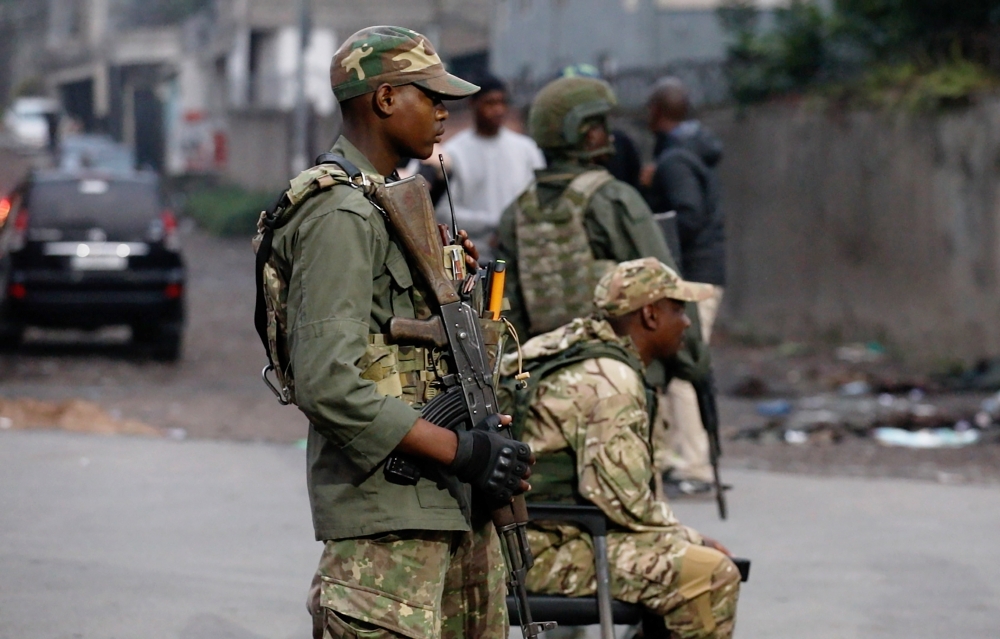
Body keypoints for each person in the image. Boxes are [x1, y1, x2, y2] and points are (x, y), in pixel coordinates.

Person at [263, 26, 532, 639]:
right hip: (387, 529)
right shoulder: (338, 213)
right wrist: (461, 451)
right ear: (384, 99)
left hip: (450, 508)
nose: (444, 112)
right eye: (430, 96)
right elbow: (328, 383)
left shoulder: (388, 204)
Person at [500, 257, 740, 639]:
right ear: (649, 315)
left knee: (692, 562)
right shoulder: (611, 381)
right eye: (678, 309)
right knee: (710, 575)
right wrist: (693, 540)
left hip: (521, 538)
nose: (687, 322)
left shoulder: (573, 345)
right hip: (541, 551)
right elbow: (624, 502)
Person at [495, 76, 712, 494]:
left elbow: (507, 311)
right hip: (622, 383)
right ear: (579, 132)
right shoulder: (614, 200)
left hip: (548, 391)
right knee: (634, 504)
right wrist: (694, 362)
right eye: (597, 124)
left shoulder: (517, 212)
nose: (606, 133)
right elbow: (664, 289)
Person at [644, 77, 727, 494]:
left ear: (656, 112)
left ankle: (693, 467)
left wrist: (660, 246)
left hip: (692, 274)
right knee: (685, 368)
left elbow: (687, 215)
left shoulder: (676, 161)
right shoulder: (688, 152)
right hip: (702, 272)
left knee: (685, 369)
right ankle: (688, 461)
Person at [435, 74, 544, 264]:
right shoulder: (454, 153)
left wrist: (512, 227)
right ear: (473, 104)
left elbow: (539, 198)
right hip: (477, 258)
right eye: (490, 103)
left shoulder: (527, 149)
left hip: (523, 255)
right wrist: (494, 224)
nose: (498, 110)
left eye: (502, 102)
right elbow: (445, 212)